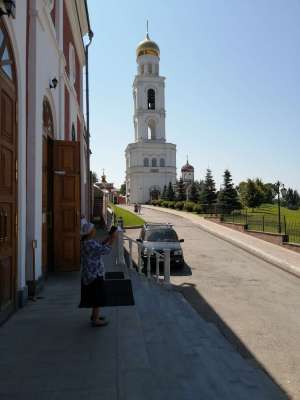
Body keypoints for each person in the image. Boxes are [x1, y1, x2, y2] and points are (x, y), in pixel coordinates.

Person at [79, 223, 117, 327]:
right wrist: (113, 239)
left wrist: (107, 238)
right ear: (90, 232)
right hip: (94, 273)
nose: (95, 230)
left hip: (88, 272)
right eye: (93, 229)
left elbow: (98, 246)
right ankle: (95, 319)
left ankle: (94, 315)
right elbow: (105, 250)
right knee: (97, 296)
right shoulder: (90, 243)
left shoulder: (85, 242)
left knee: (95, 295)